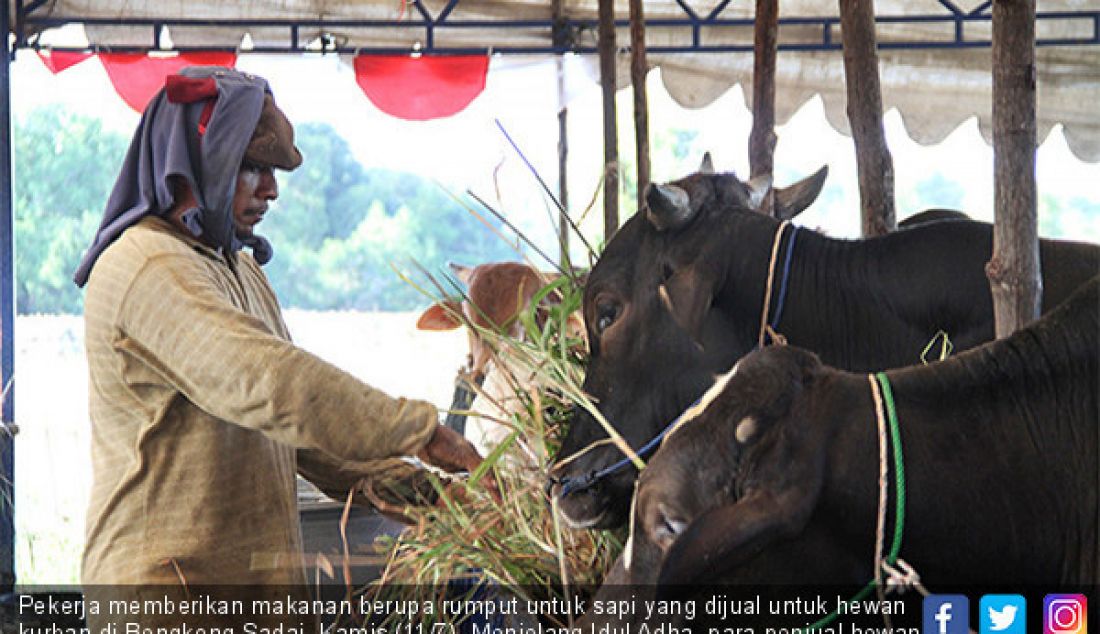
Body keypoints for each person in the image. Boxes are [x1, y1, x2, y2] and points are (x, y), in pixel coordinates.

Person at [72, 67, 483, 629]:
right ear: (198, 157)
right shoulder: (145, 264)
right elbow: (266, 379)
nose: (272, 189)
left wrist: (428, 493)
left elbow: (295, 431)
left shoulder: (235, 267)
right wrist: (420, 430)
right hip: (169, 598)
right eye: (254, 167)